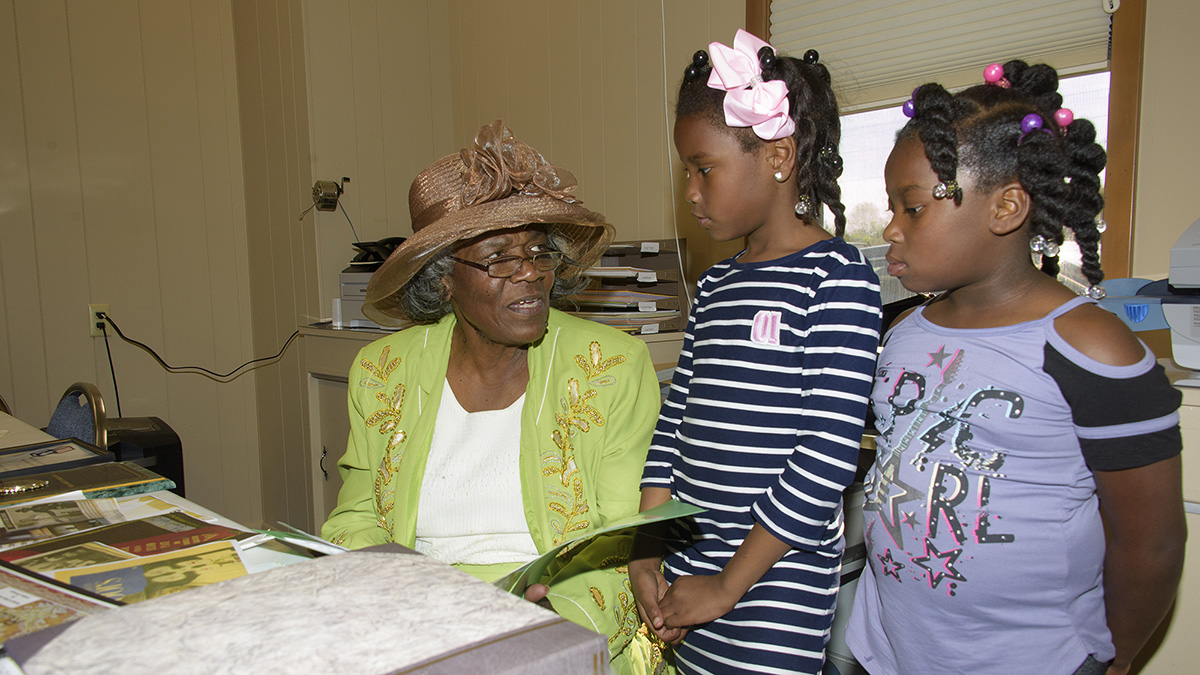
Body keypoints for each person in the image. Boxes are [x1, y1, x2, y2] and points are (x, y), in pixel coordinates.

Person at [845, 61, 1187, 675]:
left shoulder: (1092, 349)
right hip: (891, 650)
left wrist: (1117, 656)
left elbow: (1151, 543)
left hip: (1034, 658)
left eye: (914, 208)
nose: (891, 230)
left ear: (1006, 207)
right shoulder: (900, 332)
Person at [320, 120, 666, 674]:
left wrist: (552, 619)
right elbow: (357, 517)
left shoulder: (610, 367)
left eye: (537, 251)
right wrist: (412, 603)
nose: (528, 273)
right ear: (442, 280)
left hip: (557, 621)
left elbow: (624, 543)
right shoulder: (383, 371)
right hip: (421, 622)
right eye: (499, 258)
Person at [629, 30, 883, 674]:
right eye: (687, 170)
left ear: (777, 157)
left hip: (772, 585)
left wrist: (728, 584)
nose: (690, 191)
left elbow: (825, 458)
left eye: (703, 168)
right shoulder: (715, 285)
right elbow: (674, 427)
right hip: (688, 569)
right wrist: (644, 548)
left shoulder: (838, 279)